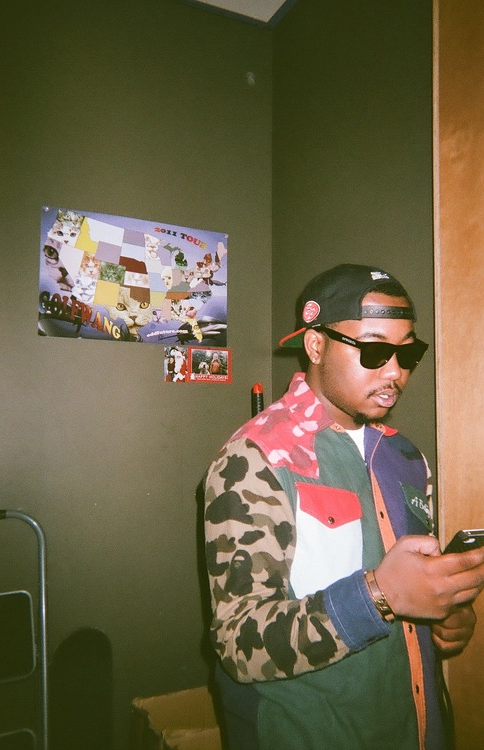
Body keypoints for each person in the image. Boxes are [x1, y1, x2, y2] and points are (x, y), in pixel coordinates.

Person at [203, 264, 484, 750]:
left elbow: (413, 593)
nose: (395, 372)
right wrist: (380, 595)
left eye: (407, 352)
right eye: (374, 351)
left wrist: (446, 617)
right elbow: (238, 642)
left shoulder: (405, 457)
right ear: (316, 345)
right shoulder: (256, 458)